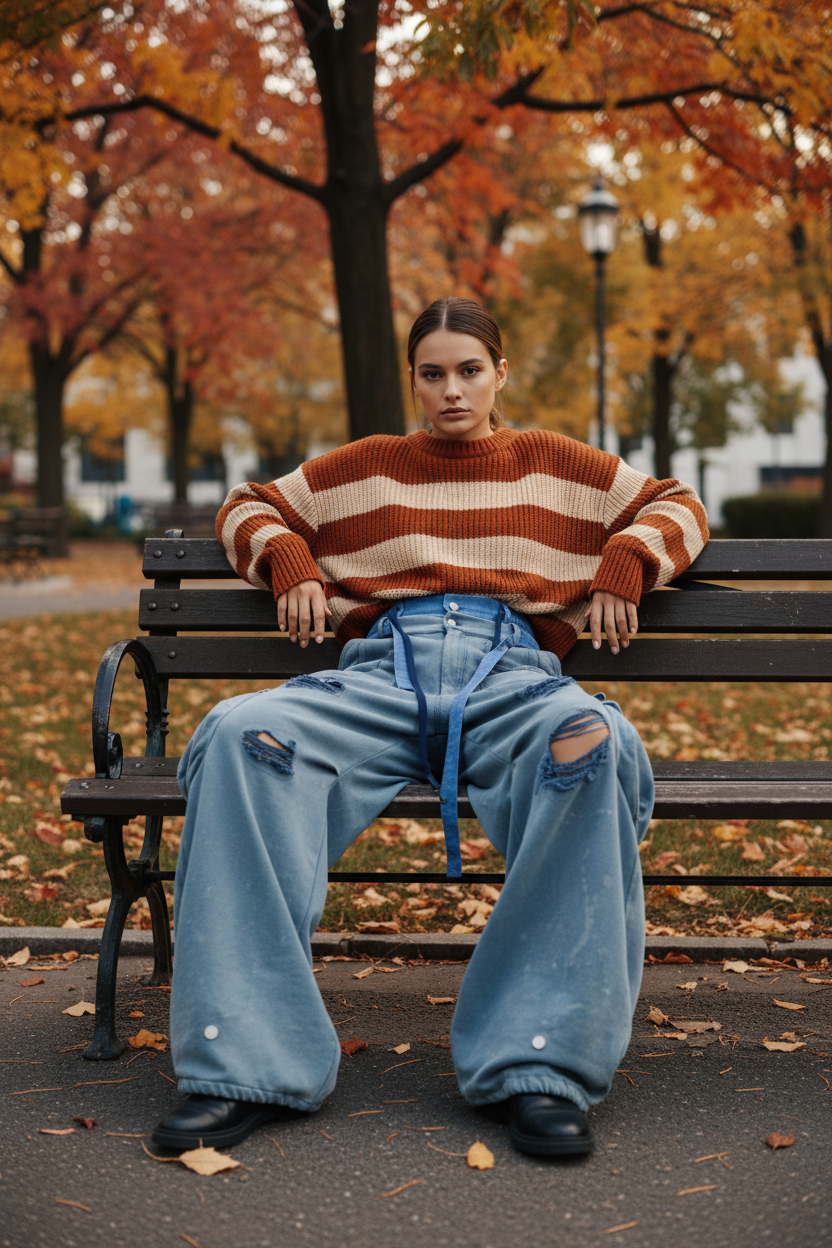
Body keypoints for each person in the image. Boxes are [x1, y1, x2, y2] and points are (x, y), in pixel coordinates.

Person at [153, 297, 707, 1157]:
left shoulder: (557, 463)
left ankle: (540, 1066)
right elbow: (247, 505)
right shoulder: (367, 466)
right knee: (239, 736)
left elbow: (678, 504)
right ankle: (244, 1067)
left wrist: (628, 559)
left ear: (500, 374)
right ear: (414, 379)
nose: (452, 390)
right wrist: (288, 559)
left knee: (590, 743)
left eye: (470, 370)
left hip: (512, 678)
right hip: (379, 676)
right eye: (433, 373)